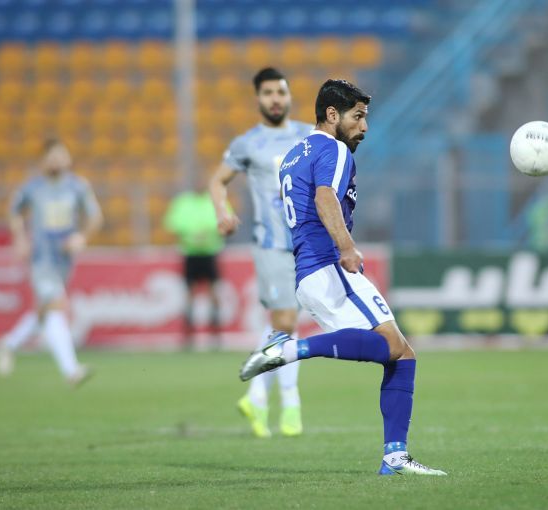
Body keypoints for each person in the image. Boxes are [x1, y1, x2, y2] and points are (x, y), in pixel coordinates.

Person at [240, 79, 447, 476]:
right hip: (329, 265)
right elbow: (324, 198)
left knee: (401, 354)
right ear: (332, 114)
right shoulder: (332, 149)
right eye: (358, 116)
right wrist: (347, 246)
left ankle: (395, 457)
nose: (364, 127)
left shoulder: (293, 154)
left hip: (308, 273)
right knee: (394, 347)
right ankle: (290, 350)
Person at [210, 67, 312, 438]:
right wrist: (222, 211)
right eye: (268, 93)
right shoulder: (248, 143)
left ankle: (255, 397)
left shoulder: (308, 135)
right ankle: (291, 403)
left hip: (306, 243)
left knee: (282, 324)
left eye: (281, 92)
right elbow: (217, 181)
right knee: (286, 322)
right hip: (271, 244)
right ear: (258, 98)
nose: (275, 99)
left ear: (289, 96)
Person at [0, 138, 102, 386]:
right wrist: (20, 237)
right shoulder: (32, 188)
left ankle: (9, 343)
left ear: (68, 159)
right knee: (55, 306)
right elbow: (14, 212)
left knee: (45, 310)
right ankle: (71, 370)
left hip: (64, 260)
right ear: (42, 161)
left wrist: (82, 237)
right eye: (52, 156)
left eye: (61, 156)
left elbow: (95, 216)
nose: (57, 161)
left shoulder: (77, 186)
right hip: (41, 258)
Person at [164, 173, 227, 349]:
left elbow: (225, 220)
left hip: (210, 252)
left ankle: (215, 333)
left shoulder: (215, 201)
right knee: (189, 294)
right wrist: (193, 234)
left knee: (213, 293)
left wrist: (206, 232)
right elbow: (173, 224)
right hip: (190, 253)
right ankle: (188, 334)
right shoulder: (183, 202)